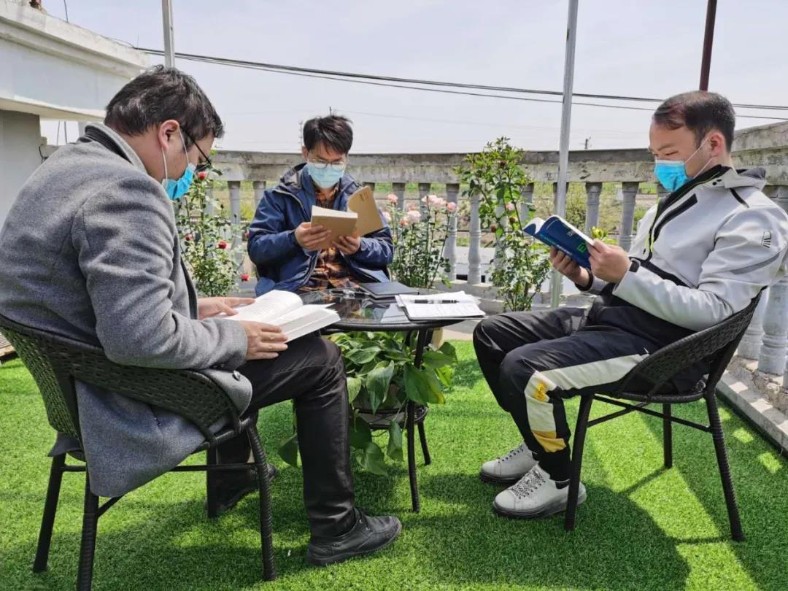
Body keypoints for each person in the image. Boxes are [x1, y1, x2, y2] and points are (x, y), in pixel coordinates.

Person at [0, 66, 400, 566]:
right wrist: (234, 338)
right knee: (320, 360)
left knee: (267, 343)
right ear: (169, 133)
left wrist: (195, 308)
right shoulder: (126, 191)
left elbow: (102, 300)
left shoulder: (63, 170)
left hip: (83, 386)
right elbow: (140, 339)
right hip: (129, 398)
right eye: (197, 157)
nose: (194, 170)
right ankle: (336, 528)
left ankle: (232, 478)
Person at [473, 91, 788, 519]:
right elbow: (638, 279)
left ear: (713, 143)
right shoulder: (677, 200)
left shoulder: (754, 217)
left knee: (525, 369)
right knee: (492, 334)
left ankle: (559, 480)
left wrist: (626, 275)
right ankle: (540, 446)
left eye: (669, 153)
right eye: (655, 154)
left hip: (665, 350)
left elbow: (715, 311)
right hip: (618, 322)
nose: (660, 165)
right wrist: (587, 277)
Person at [247, 115, 393, 295]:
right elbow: (256, 248)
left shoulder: (357, 197)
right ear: (305, 153)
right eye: (321, 161)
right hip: (299, 288)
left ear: (346, 158)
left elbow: (386, 249)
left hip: (355, 288)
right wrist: (293, 239)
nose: (328, 168)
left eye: (336, 162)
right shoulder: (280, 196)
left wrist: (359, 246)